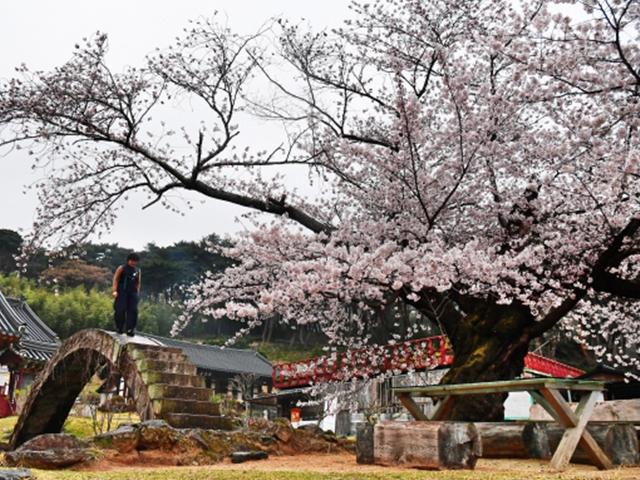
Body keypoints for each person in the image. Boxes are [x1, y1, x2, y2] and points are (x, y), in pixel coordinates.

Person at [112, 253, 141, 336]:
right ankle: (119, 327)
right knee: (120, 309)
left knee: (133, 310)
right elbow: (116, 279)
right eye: (131, 261)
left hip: (133, 292)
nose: (133, 263)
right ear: (128, 260)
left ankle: (130, 329)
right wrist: (114, 291)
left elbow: (138, 283)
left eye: (135, 261)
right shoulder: (122, 268)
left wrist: (137, 293)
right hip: (122, 291)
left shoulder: (137, 270)